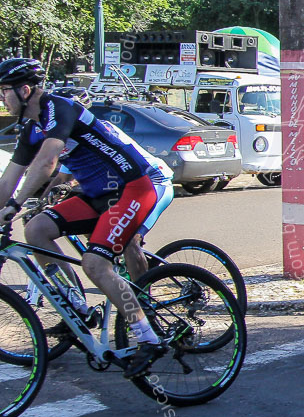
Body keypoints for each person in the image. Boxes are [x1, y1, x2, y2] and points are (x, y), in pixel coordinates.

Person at [0, 58, 176, 378]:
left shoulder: (59, 109)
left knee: (97, 264)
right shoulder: (31, 130)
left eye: (4, 91)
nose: (2, 98)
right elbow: (8, 179)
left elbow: (46, 164)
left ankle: (148, 338)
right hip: (96, 196)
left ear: (25, 90)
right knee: (36, 228)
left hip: (133, 187)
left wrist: (13, 204)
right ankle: (77, 306)